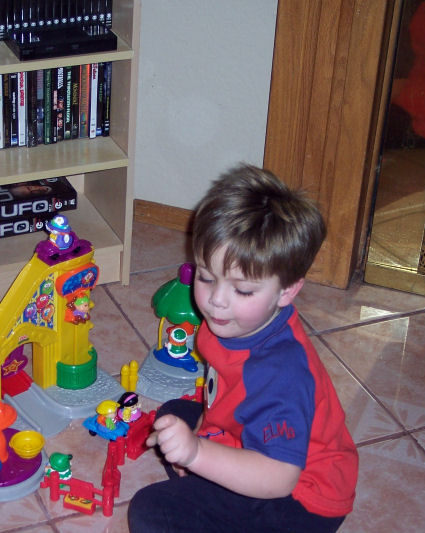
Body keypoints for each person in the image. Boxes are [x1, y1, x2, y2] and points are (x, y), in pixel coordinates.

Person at [128, 164, 358, 532]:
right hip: (249, 442)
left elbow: (280, 477)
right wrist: (198, 437)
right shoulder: (230, 323)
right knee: (173, 416)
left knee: (152, 510)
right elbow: (219, 395)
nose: (216, 301)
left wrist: (197, 453)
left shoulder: (279, 375)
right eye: (206, 277)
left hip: (300, 499)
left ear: (287, 290)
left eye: (243, 290)